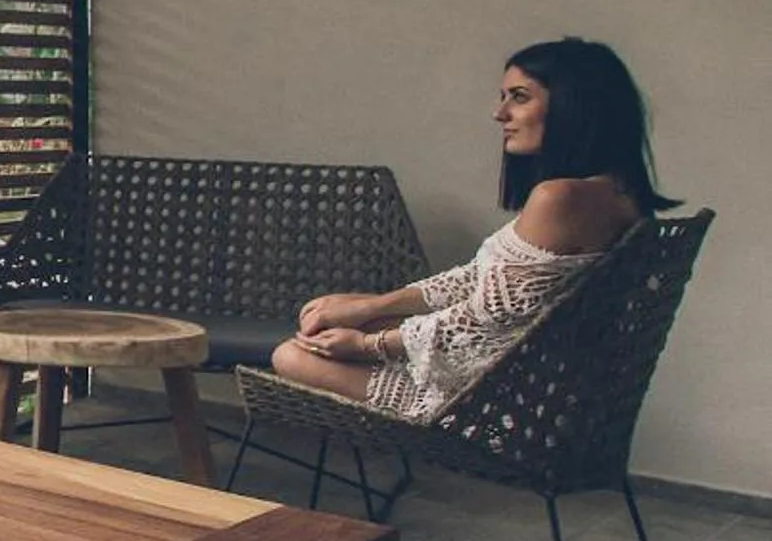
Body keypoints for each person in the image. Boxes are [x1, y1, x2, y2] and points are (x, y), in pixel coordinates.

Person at [273, 38, 676, 417]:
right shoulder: (619, 193)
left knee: (289, 355)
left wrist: (367, 343)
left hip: (496, 409)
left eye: (519, 97)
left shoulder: (560, 198)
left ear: (574, 106)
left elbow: (484, 320)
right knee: (337, 313)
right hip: (537, 385)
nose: (500, 114)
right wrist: (372, 307)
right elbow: (482, 284)